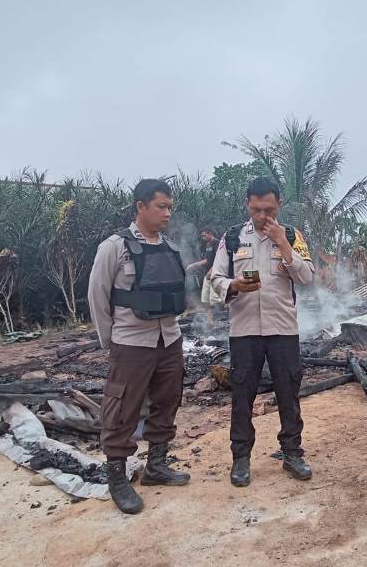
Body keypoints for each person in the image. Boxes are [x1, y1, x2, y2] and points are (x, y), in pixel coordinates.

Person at [87, 178, 190, 514]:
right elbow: (98, 296)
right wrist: (111, 341)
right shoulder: (113, 248)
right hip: (132, 341)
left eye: (170, 207)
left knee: (167, 401)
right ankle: (116, 476)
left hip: (169, 339)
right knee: (123, 409)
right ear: (140, 206)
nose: (167, 213)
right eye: (161, 206)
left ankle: (156, 466)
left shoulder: (171, 248)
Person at [211, 177, 315, 486]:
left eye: (268, 209)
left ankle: (293, 454)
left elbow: (307, 277)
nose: (262, 217)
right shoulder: (231, 238)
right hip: (244, 331)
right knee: (242, 395)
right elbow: (214, 279)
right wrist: (233, 285)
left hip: (283, 329)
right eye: (256, 210)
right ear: (247, 205)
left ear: (279, 205)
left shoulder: (293, 236)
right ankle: (240, 459)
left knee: (288, 392)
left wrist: (283, 244)